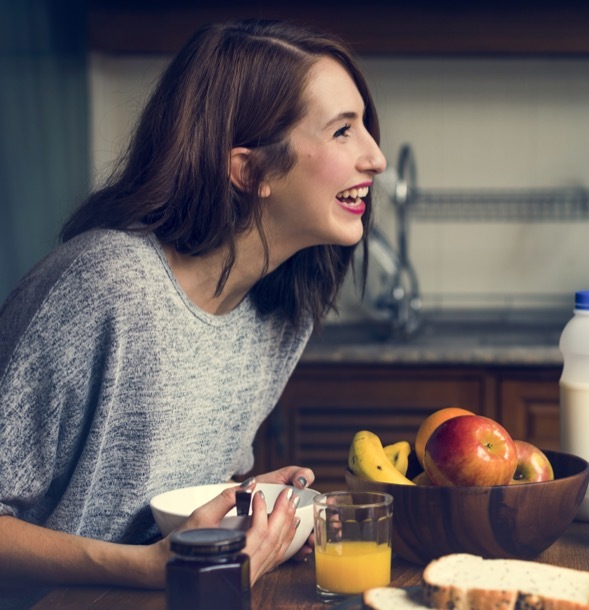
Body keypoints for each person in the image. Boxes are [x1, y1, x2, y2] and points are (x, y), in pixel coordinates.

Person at [0, 19, 386, 608]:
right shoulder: (106, 285)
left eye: (364, 127)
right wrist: (154, 567)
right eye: (342, 131)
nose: (376, 158)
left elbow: (161, 500)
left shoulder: (281, 312)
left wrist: (240, 506)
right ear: (247, 169)